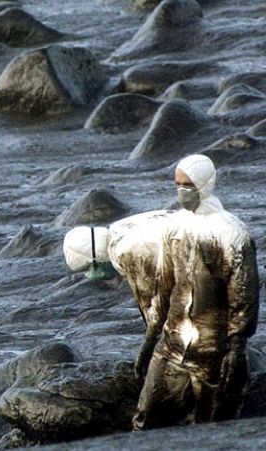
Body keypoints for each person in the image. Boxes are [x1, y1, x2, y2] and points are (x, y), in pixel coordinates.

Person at [133, 154, 260, 429]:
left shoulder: (232, 233)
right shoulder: (174, 226)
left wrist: (236, 348)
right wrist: (150, 339)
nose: (182, 191)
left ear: (205, 184)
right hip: (172, 345)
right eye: (178, 184)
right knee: (147, 418)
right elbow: (163, 286)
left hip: (213, 351)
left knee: (212, 427)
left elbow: (243, 293)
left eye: (188, 184)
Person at [63, 210, 175, 386]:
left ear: (95, 259)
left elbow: (154, 308)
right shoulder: (119, 229)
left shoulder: (124, 252)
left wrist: (147, 351)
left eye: (88, 268)